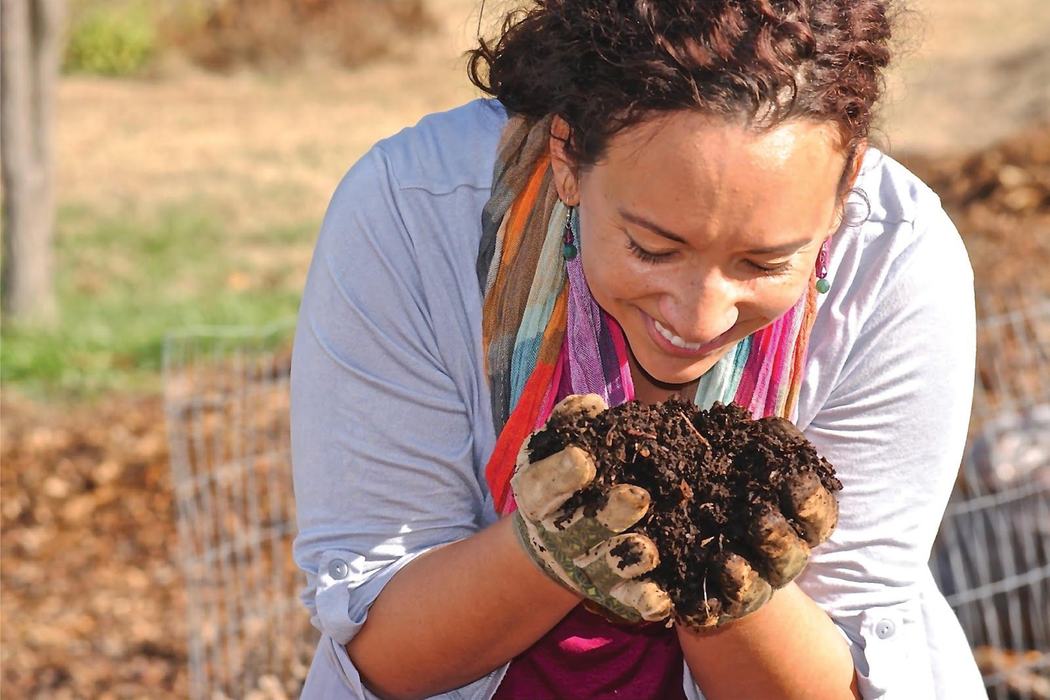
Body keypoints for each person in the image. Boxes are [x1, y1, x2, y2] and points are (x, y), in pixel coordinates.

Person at [289, 1, 987, 698]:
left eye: (764, 263)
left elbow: (845, 674)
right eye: (653, 248)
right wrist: (543, 554)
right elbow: (384, 654)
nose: (699, 316)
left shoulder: (896, 262)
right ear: (567, 156)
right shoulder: (414, 213)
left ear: (844, 189)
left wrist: (729, 581)